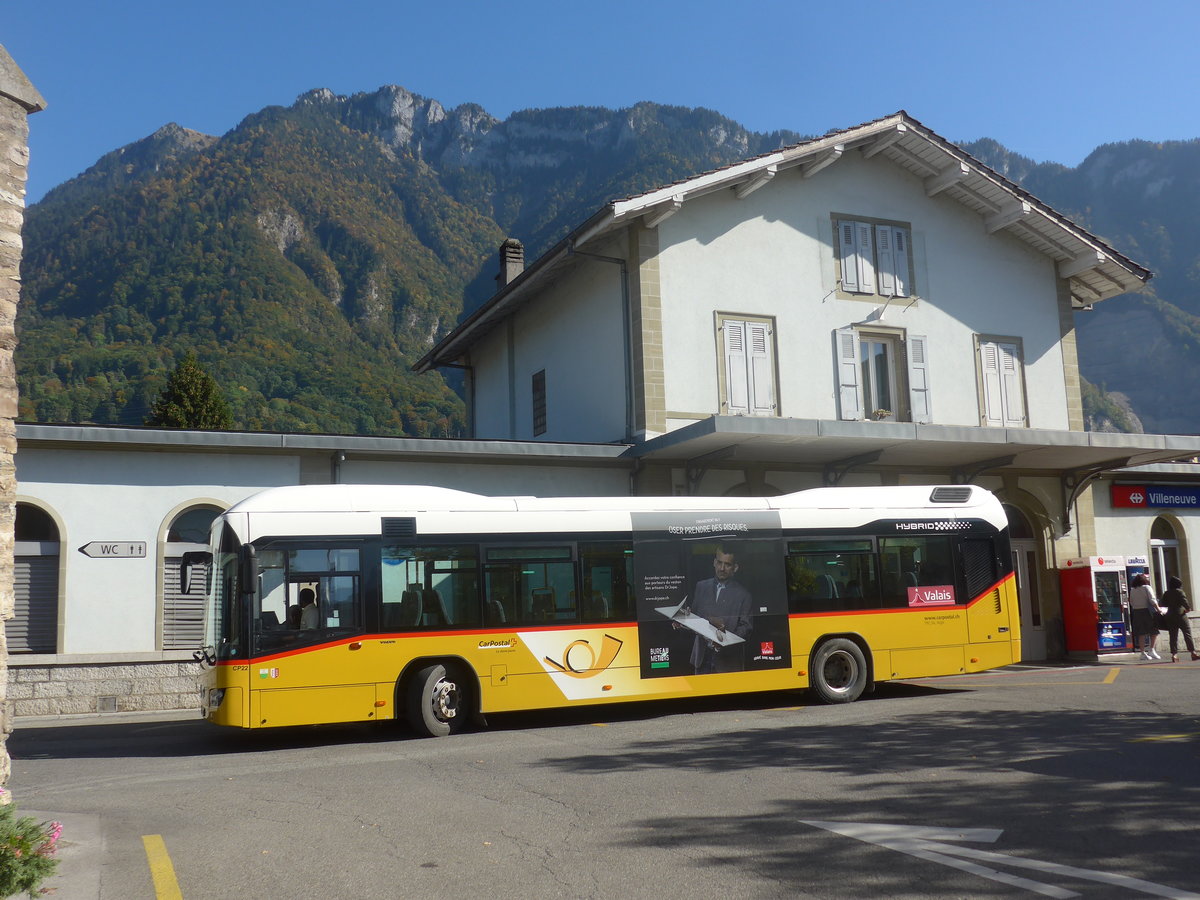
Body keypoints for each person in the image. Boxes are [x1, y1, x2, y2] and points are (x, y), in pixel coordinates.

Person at [682, 547, 753, 674]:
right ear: (714, 563)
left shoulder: (744, 595)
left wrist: (725, 641)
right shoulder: (701, 586)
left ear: (735, 568)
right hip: (702, 658)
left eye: (727, 564)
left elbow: (746, 628)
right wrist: (685, 620)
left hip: (728, 662)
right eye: (719, 563)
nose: (722, 568)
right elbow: (696, 618)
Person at [1159, 575, 1200, 663]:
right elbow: (1185, 602)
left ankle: (1174, 655)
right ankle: (1193, 652)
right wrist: (1188, 609)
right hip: (1181, 614)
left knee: (1173, 636)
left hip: (1170, 615)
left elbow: (1162, 603)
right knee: (1187, 633)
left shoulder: (1167, 593)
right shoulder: (1180, 592)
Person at [1128, 572, 1164, 660]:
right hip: (1147, 611)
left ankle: (1142, 652)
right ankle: (1151, 649)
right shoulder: (1147, 587)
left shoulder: (1132, 590)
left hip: (1137, 612)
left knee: (1141, 633)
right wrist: (1158, 609)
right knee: (1154, 631)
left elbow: (1131, 602)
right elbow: (1152, 600)